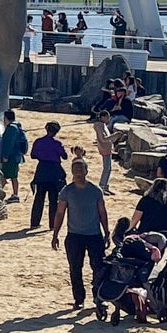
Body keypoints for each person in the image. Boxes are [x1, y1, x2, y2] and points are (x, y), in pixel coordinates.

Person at [50, 158, 109, 310]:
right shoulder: (67, 191)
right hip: (74, 236)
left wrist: (107, 231)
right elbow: (60, 213)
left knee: (98, 267)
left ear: (86, 171)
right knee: (75, 268)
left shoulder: (95, 190)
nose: (77, 172)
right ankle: (79, 299)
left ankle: (99, 296)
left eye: (80, 169)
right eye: (75, 169)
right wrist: (55, 234)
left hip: (94, 235)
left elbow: (102, 212)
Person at [28, 122, 68, 229]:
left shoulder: (38, 141)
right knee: (53, 199)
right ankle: (52, 224)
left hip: (42, 170)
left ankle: (34, 223)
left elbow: (33, 155)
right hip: (54, 172)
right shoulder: (57, 143)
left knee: (39, 198)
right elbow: (64, 156)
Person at [0, 109, 29, 203]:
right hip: (17, 156)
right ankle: (15, 194)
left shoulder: (11, 128)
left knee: (4, 176)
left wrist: (5, 156)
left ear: (6, 118)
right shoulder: (17, 126)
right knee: (13, 176)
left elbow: (9, 143)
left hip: (11, 157)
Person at [88, 110, 114, 194]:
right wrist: (115, 135)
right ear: (102, 117)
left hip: (107, 149)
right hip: (105, 149)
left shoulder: (102, 125)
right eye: (107, 117)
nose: (108, 119)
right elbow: (103, 139)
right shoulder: (99, 126)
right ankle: (102, 186)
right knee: (107, 168)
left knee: (108, 168)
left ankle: (105, 186)